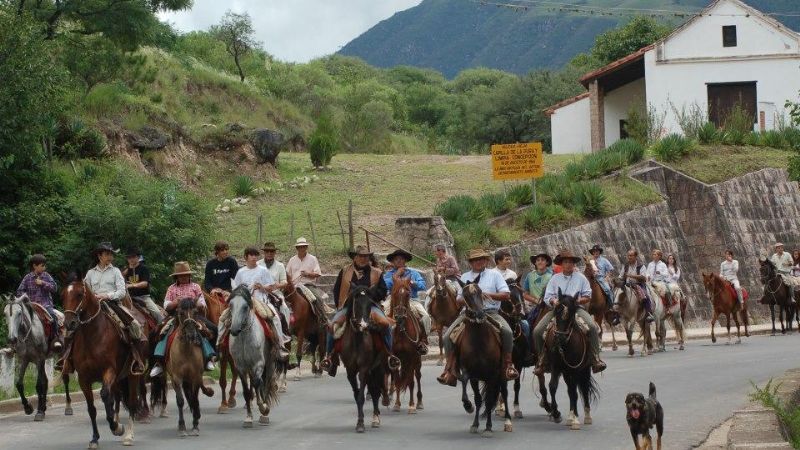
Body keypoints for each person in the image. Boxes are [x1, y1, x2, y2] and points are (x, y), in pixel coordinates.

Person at [437, 248, 518, 386]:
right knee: (447, 336)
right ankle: (450, 370)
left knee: (507, 332)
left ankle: (508, 365)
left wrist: (487, 294)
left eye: (481, 259)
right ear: (471, 263)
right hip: (468, 313)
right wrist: (471, 296)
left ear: (486, 260)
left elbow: (506, 294)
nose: (478, 262)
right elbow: (459, 299)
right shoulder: (464, 277)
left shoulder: (495, 275)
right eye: (475, 260)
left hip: (490, 312)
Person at [73, 242, 146, 373]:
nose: (111, 257)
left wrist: (107, 295)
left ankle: (137, 359)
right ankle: (67, 359)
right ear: (99, 256)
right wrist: (92, 297)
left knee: (134, 325)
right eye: (107, 254)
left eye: (111, 254)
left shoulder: (116, 271)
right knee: (70, 327)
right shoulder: (90, 273)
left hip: (112, 304)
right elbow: (85, 292)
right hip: (92, 306)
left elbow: (122, 292)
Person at [533, 250, 606, 376]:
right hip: (557, 309)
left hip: (576, 308)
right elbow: (548, 296)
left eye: (571, 262)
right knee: (537, 331)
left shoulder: (581, 278)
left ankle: (595, 358)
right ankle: (542, 360)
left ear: (574, 264)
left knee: (593, 327)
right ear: (561, 264)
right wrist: (554, 301)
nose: (568, 264)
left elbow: (587, 295)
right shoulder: (555, 278)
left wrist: (578, 300)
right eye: (566, 262)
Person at [322, 245, 391, 376]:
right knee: (332, 326)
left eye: (366, 256)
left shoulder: (376, 272)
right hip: (348, 307)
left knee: (386, 324)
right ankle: (329, 357)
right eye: (361, 256)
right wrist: (339, 306)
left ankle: (390, 355)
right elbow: (337, 290)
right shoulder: (345, 271)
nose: (364, 259)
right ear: (355, 257)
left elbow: (383, 291)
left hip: (371, 306)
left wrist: (371, 294)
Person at [149, 262, 216, 377]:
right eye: (181, 275)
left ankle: (211, 357)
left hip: (194, 316)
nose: (183, 277)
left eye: (186, 275)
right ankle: (158, 362)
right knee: (158, 332)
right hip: (176, 316)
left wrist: (196, 303)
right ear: (176, 277)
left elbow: (202, 304)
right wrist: (175, 302)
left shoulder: (196, 286)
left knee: (213, 329)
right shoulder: (172, 288)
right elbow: (166, 305)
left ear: (189, 275)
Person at [383, 249, 430, 355]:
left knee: (426, 316)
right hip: (392, 299)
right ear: (393, 262)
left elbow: (423, 285)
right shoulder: (388, 274)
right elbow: (385, 285)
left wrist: (413, 283)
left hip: (412, 299)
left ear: (405, 261)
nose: (399, 261)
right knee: (382, 315)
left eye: (401, 259)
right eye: (396, 259)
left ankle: (423, 341)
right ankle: (383, 341)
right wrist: (396, 276)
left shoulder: (413, 273)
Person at [15, 254, 61, 352]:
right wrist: (26, 297)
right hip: (31, 306)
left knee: (53, 315)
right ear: (34, 266)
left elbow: (55, 288)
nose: (44, 268)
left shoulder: (46, 276)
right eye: (42, 265)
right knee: (17, 317)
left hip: (45, 305)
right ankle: (15, 342)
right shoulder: (27, 278)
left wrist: (43, 283)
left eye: (44, 265)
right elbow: (19, 292)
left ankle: (55, 338)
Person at [286, 237, 328, 325]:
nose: (302, 248)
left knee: (318, 298)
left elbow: (318, 273)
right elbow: (287, 274)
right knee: (281, 299)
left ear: (306, 247)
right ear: (297, 248)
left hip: (308, 285)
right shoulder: (292, 260)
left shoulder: (313, 258)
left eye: (304, 247)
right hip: (294, 286)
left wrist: (308, 274)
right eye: (300, 247)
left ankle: (323, 319)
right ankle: (285, 323)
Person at [122, 247, 162, 324]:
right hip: (128, 298)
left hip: (143, 297)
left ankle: (162, 330)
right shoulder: (125, 271)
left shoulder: (143, 269)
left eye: (133, 257)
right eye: (129, 257)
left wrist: (131, 285)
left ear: (138, 257)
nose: (131, 259)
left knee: (157, 313)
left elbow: (145, 283)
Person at [619, 248, 655, 322]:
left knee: (645, 295)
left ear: (636, 256)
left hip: (638, 284)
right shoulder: (625, 265)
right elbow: (621, 276)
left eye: (631, 255)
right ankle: (617, 315)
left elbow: (643, 277)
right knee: (617, 294)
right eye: (628, 255)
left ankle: (649, 313)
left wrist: (631, 276)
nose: (629, 257)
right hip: (627, 284)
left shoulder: (641, 266)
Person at [258, 242, 290, 320]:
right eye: (267, 251)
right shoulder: (257, 264)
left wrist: (276, 285)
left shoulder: (280, 265)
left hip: (275, 293)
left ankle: (285, 329)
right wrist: (262, 287)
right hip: (260, 293)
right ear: (264, 252)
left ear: (275, 252)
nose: (269, 253)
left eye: (271, 251)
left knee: (285, 308)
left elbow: (284, 282)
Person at [522, 252, 553, 321]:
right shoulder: (529, 276)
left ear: (547, 262)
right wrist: (536, 300)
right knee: (526, 323)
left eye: (542, 260)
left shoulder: (552, 275)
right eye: (538, 260)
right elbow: (525, 294)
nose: (540, 262)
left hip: (549, 305)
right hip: (533, 305)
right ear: (535, 263)